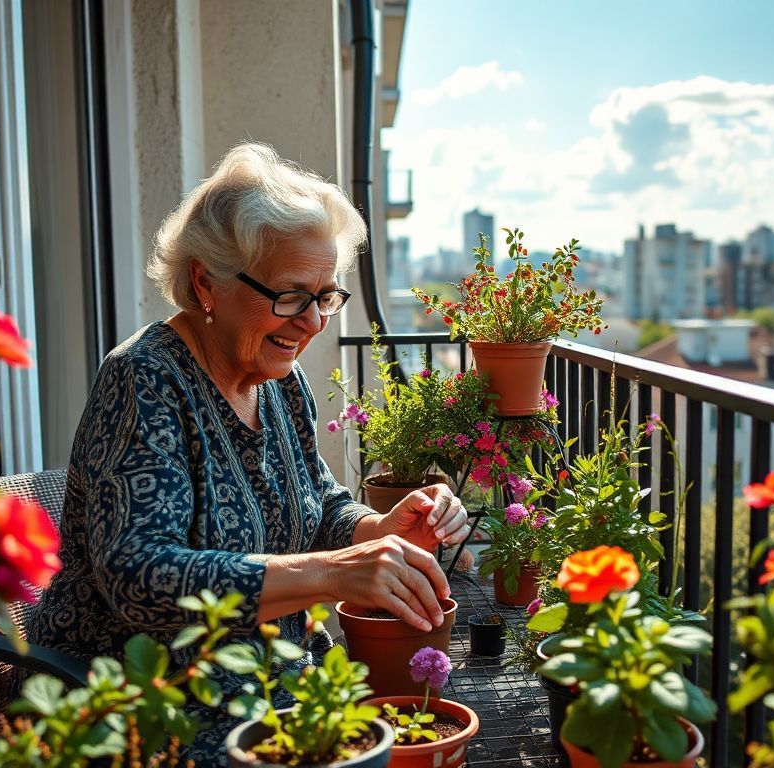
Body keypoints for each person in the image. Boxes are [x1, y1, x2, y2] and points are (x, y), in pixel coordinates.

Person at [26, 143, 469, 762]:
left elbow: (318, 507)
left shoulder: (280, 381)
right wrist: (338, 572)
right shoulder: (145, 379)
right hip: (149, 707)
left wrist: (381, 526)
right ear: (207, 282)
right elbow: (137, 576)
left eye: (326, 296)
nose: (313, 323)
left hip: (271, 686)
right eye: (290, 295)